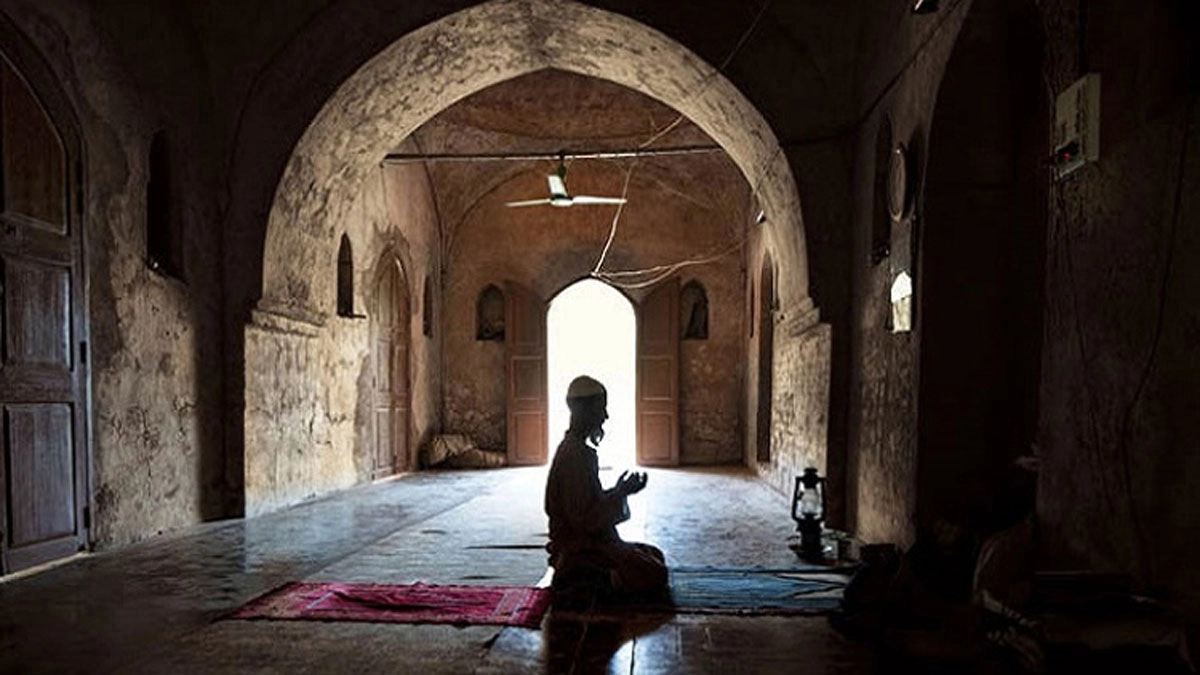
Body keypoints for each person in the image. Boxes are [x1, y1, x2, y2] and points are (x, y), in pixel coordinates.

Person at [544, 375, 668, 602]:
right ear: (583, 410)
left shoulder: (579, 451)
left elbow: (590, 505)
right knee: (654, 574)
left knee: (654, 554)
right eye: (600, 409)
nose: (605, 416)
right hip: (579, 549)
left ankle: (600, 576)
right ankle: (582, 580)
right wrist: (620, 493)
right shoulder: (574, 456)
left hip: (592, 542)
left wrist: (620, 491)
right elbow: (584, 522)